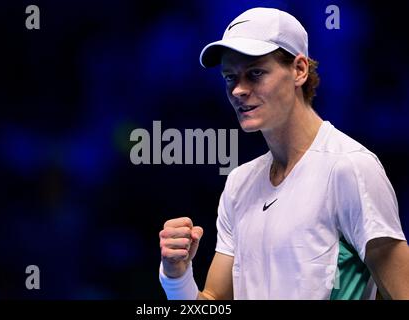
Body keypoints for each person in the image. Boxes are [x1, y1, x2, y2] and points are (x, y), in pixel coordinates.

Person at [158, 7, 409, 299]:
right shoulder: (239, 184)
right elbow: (213, 300)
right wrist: (176, 277)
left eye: (255, 74)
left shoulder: (350, 167)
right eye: (230, 78)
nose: (238, 90)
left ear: (299, 70)